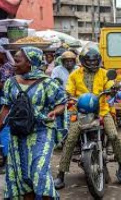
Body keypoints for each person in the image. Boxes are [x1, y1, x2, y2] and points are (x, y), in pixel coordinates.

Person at [54, 44, 121, 189]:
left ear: (99, 60)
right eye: (90, 60)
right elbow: (69, 89)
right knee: (70, 139)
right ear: (82, 60)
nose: (93, 63)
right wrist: (68, 95)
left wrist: (113, 88)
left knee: (113, 135)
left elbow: (110, 83)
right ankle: (60, 175)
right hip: (80, 112)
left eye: (95, 60)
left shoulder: (104, 73)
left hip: (101, 111)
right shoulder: (74, 75)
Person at [0, 46, 67, 199]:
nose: (14, 64)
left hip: (41, 131)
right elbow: (6, 107)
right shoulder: (10, 83)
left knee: (38, 171)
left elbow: (61, 102)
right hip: (18, 133)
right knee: (23, 175)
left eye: (17, 61)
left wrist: (55, 111)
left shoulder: (47, 83)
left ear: (30, 62)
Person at [0, 45, 14, 174]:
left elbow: (5, 86)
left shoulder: (7, 67)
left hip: (5, 102)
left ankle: (6, 160)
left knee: (4, 130)